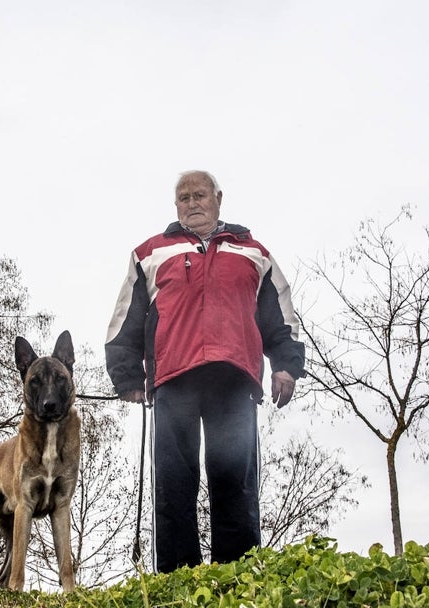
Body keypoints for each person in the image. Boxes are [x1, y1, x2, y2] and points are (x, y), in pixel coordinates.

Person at [105, 170, 305, 573]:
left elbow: (278, 314)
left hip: (234, 379)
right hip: (173, 379)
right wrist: (127, 377)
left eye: (199, 195)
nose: (192, 202)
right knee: (174, 482)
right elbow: (126, 316)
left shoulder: (254, 252)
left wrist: (286, 365)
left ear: (218, 198)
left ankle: (238, 575)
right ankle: (180, 578)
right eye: (183, 197)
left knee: (236, 478)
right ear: (175, 205)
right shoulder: (150, 252)